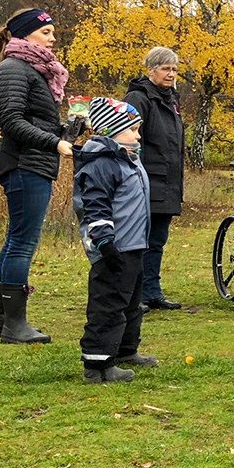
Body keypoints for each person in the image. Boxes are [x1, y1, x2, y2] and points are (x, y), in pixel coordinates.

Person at [0, 8, 74, 345]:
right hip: (25, 164)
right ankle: (14, 325)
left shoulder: (35, 71)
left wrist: (69, 129)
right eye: (46, 32)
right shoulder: (12, 69)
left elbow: (35, 120)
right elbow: (11, 122)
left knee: (15, 239)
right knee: (22, 242)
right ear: (24, 35)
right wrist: (55, 142)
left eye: (53, 32)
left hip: (34, 162)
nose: (53, 39)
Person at [73, 97, 156, 384]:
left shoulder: (128, 158)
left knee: (132, 301)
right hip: (113, 247)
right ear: (111, 130)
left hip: (133, 245)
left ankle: (125, 350)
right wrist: (104, 240)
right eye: (132, 129)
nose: (138, 135)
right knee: (109, 302)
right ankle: (97, 363)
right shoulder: (102, 163)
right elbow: (95, 205)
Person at [123, 47, 185, 312]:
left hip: (168, 180)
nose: (171, 74)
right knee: (138, 240)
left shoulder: (172, 99)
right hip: (145, 179)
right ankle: (134, 294)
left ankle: (151, 292)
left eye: (174, 69)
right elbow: (129, 138)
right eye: (165, 69)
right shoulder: (138, 98)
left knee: (157, 239)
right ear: (150, 70)